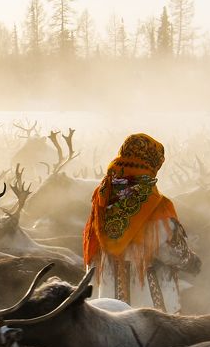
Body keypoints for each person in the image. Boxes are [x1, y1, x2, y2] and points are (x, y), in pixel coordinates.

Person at [82, 133, 201, 313]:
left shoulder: (102, 195)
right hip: (147, 307)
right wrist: (192, 262)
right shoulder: (155, 204)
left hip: (106, 304)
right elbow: (169, 251)